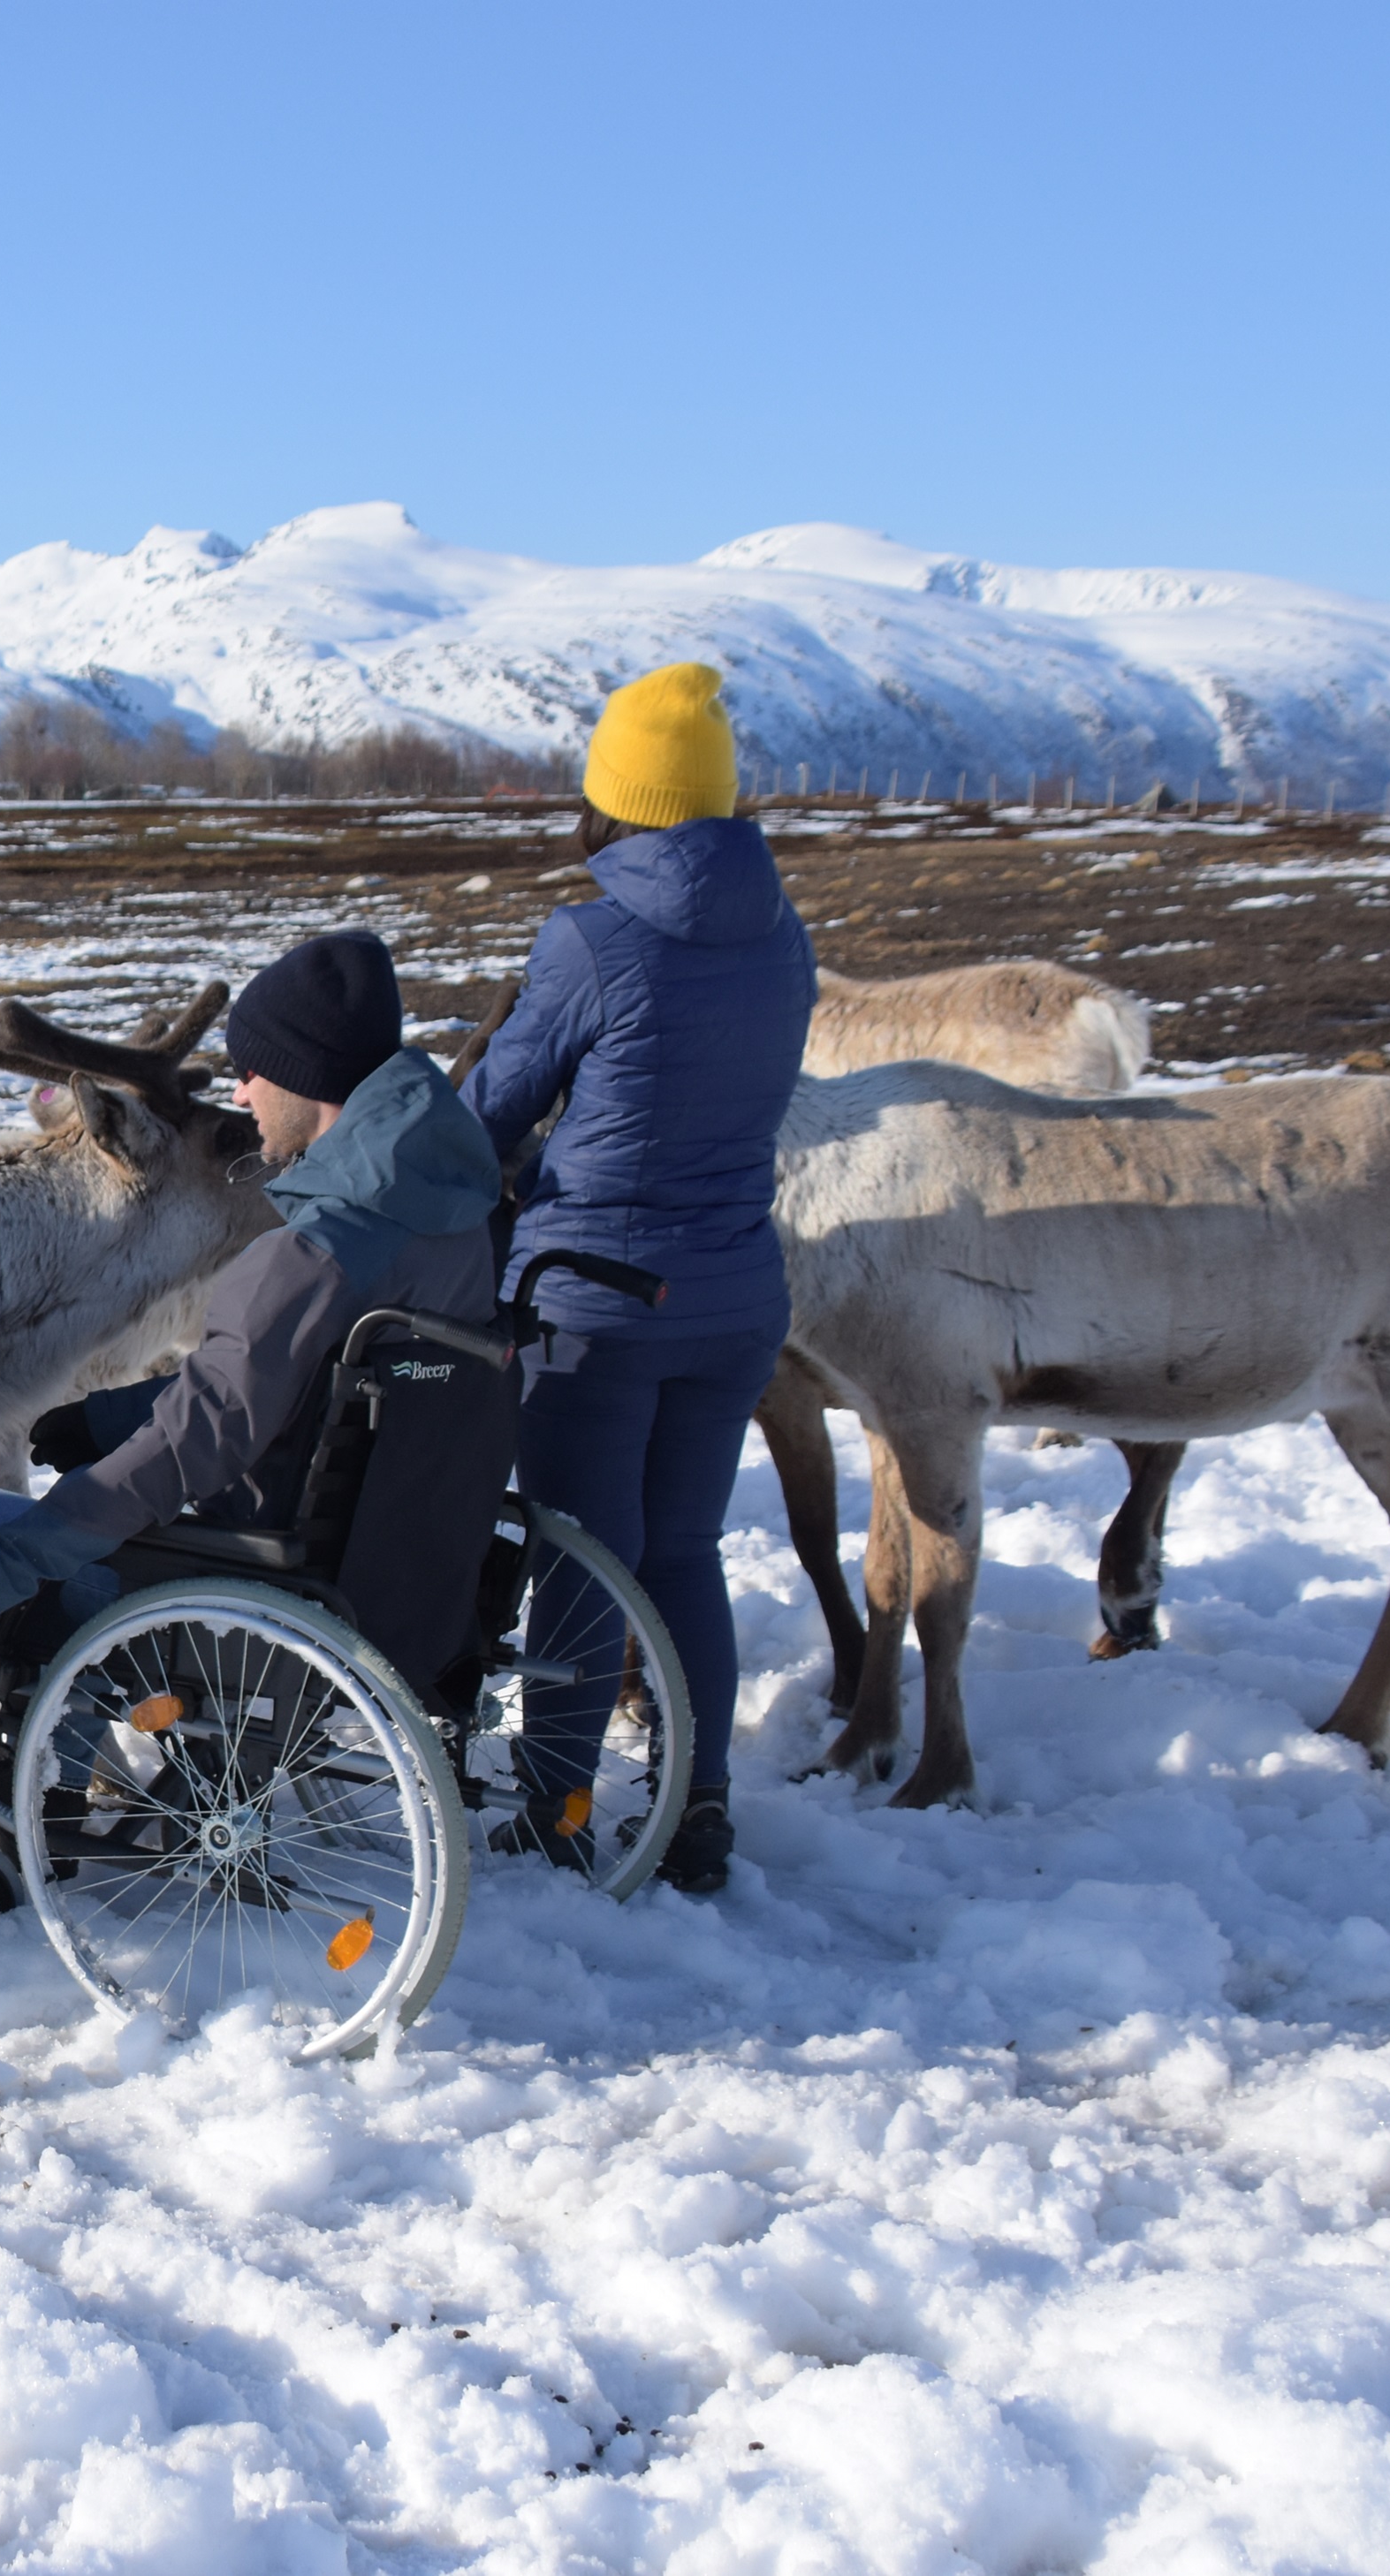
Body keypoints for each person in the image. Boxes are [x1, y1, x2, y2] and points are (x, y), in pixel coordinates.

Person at [0, 925, 503, 1668]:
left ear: (304, 1074)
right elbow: (299, 1387)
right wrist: (109, 1418)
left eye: (252, 1072)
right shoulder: (457, 1221)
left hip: (250, 1600)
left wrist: (1, 1566)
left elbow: (202, 1436)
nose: (240, 1094)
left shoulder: (315, 1254)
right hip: (401, 1581)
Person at [458, 662, 817, 1895]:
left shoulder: (592, 939)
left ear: (614, 799)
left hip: (597, 1307)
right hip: (736, 1301)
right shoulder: (783, 933)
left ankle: (560, 1807)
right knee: (682, 1551)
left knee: (581, 1551)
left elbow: (490, 1111)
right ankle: (696, 1800)